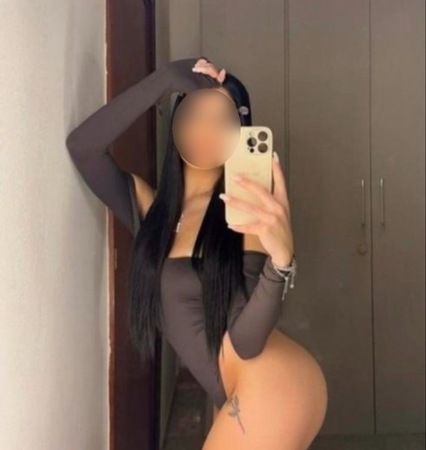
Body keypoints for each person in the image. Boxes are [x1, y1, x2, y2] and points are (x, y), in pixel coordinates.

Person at [66, 56, 328, 450]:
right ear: (177, 122)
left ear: (240, 133)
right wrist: (162, 80)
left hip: (274, 384)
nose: (207, 129)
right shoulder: (152, 213)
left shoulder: (243, 211)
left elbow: (246, 343)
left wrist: (280, 263)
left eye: (222, 119)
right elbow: (83, 148)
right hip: (237, 389)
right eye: (195, 114)